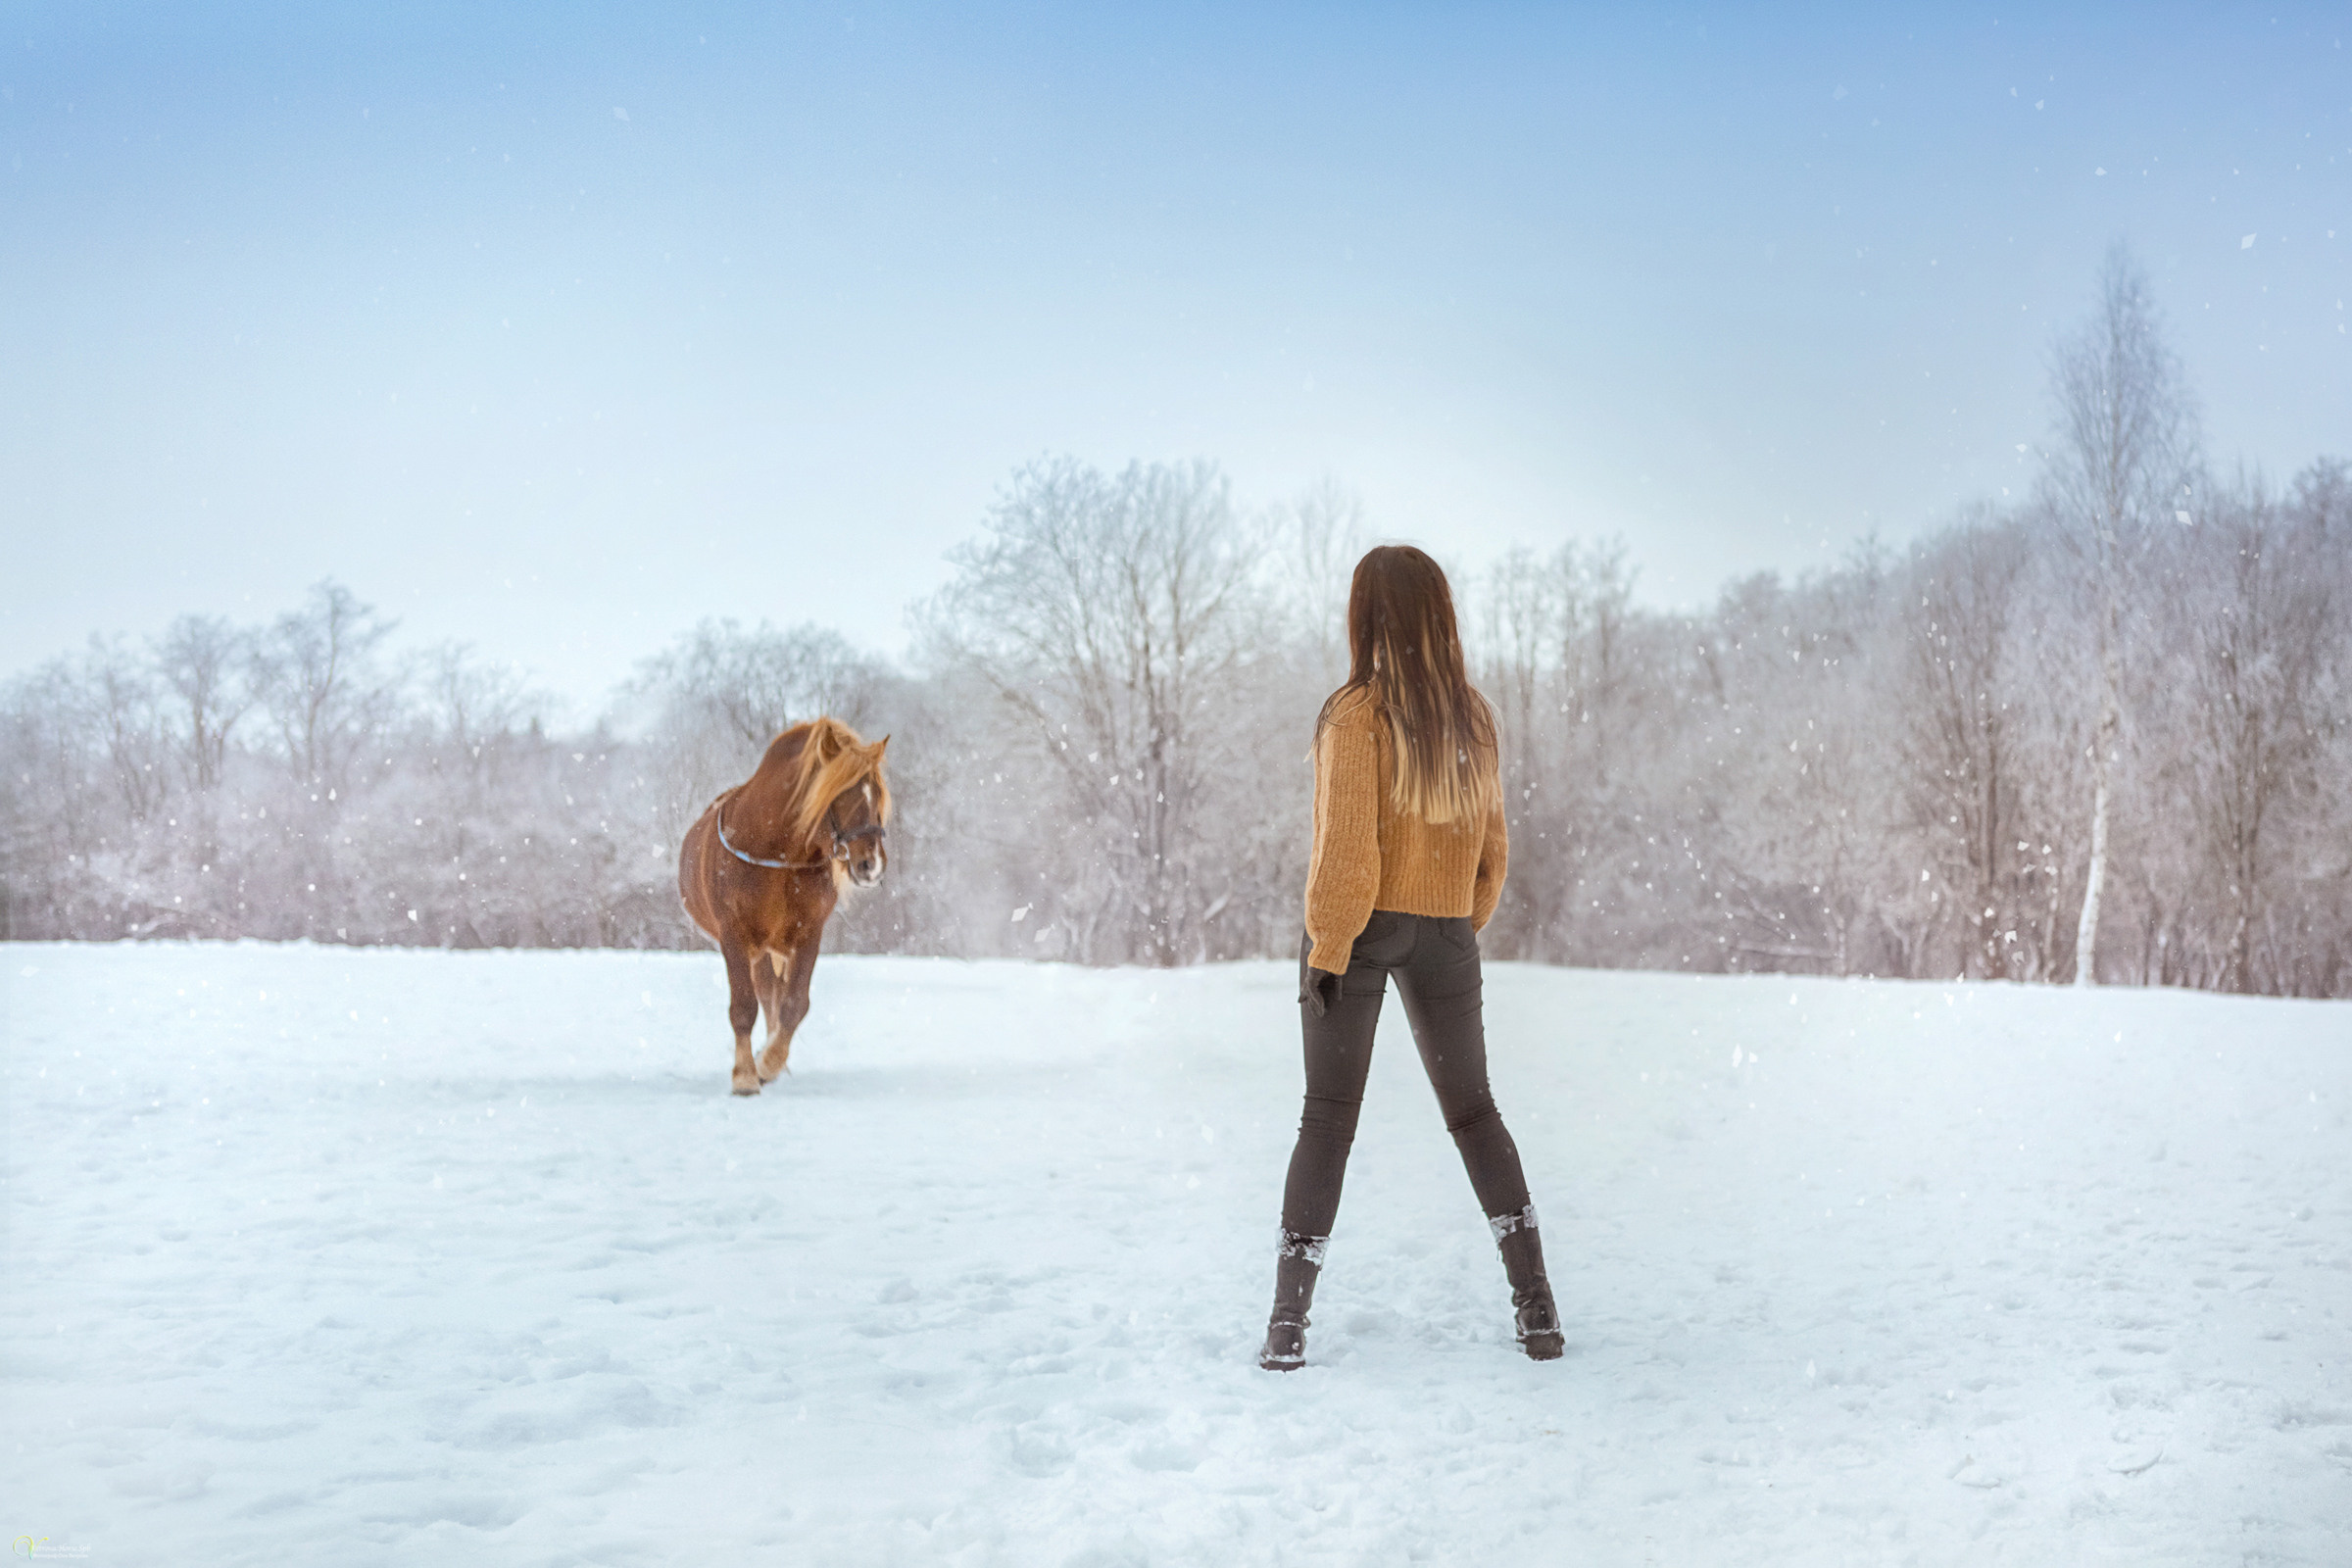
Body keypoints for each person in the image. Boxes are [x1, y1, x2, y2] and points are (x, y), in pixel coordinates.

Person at [1259, 544, 1563, 1371]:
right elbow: (1494, 851)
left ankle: (1287, 1324)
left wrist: (1330, 947)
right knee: (1475, 1115)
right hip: (1446, 931)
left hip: (1358, 932)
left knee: (1327, 1121)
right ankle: (1537, 1307)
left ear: (1367, 616)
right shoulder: (1473, 717)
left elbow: (1347, 852)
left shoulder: (1354, 713)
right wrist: (1453, 927)